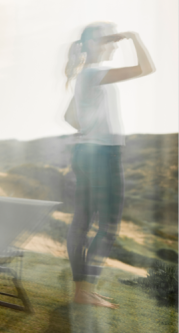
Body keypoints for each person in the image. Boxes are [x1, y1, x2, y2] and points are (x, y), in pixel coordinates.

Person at [64, 22, 155, 308]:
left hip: (87, 152)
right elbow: (147, 68)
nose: (115, 44)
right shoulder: (93, 72)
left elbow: (70, 116)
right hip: (104, 155)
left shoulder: (85, 75)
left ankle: (83, 291)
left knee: (82, 223)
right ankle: (85, 291)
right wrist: (133, 36)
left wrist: (90, 128)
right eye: (109, 40)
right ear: (93, 43)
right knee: (109, 226)